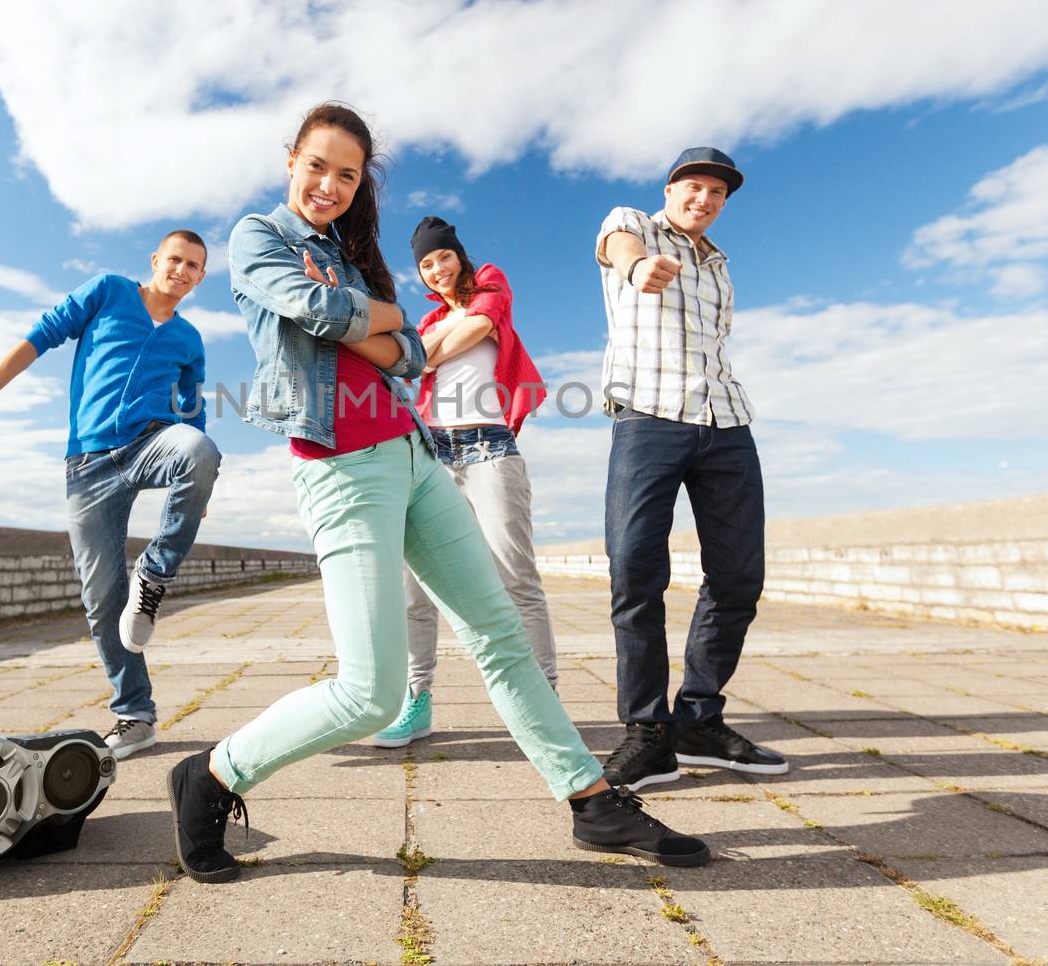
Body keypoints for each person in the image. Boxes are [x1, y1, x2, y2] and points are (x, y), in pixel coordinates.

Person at [164, 102, 709, 884]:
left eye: (347, 174)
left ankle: (593, 800)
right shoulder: (258, 236)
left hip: (416, 454)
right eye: (317, 165)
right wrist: (377, 321)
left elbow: (409, 352)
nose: (329, 184)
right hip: (340, 461)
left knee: (498, 631)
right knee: (371, 691)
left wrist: (373, 323)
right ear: (291, 160)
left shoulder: (349, 258)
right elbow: (320, 312)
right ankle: (213, 774)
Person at [0, 231, 221, 760]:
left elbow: (192, 410)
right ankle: (135, 715)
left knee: (200, 449)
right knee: (101, 599)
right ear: (155, 261)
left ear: (201, 277)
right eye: (175, 260)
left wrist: (201, 477)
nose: (182, 271)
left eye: (193, 266)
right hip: (89, 464)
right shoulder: (109, 292)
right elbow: (40, 336)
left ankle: (155, 574)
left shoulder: (189, 339)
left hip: (152, 444)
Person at [594, 147, 789, 791]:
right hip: (648, 418)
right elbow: (617, 245)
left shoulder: (722, 267)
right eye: (693, 187)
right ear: (670, 189)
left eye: (716, 192)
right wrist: (640, 266)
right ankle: (647, 734)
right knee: (636, 576)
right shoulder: (635, 226)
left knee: (738, 578)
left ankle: (700, 719)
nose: (703, 199)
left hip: (728, 423)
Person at [370, 215, 558, 748]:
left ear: (460, 256)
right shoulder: (426, 322)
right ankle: (417, 702)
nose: (437, 270)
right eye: (427, 265)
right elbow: (414, 363)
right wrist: (432, 343)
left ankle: (544, 701)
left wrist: (432, 346)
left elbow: (458, 337)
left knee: (515, 577)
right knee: (413, 590)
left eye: (443, 257)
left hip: (490, 448)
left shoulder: (492, 283)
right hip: (431, 454)